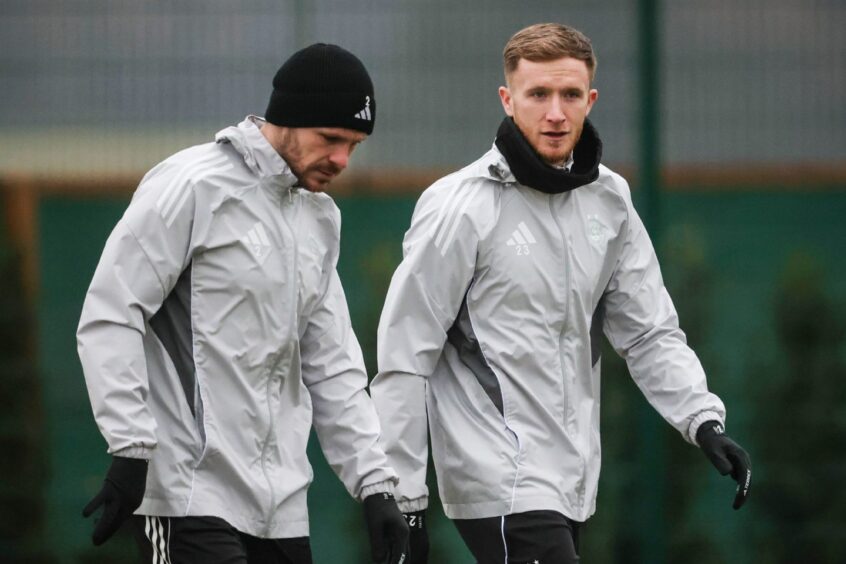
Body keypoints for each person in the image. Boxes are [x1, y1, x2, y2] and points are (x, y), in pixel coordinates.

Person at [370, 23, 752, 563]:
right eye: (538, 95)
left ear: (590, 99)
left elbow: (647, 331)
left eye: (570, 95)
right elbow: (405, 354)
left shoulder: (610, 200)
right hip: (498, 479)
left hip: (573, 479)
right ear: (508, 99)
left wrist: (702, 420)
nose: (556, 112)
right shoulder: (460, 206)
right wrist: (404, 495)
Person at [78, 43, 409, 564]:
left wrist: (375, 486)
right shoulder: (193, 185)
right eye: (330, 139)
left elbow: (333, 366)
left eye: (355, 144)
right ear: (288, 119)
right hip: (189, 495)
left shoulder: (319, 218)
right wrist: (130, 445)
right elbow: (111, 311)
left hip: (281, 508)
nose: (342, 160)